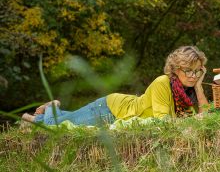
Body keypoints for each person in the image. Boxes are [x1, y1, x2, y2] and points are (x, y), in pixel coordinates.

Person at [21, 46, 209, 126]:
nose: (193, 76)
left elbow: (205, 115)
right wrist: (194, 121)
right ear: (175, 69)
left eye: (197, 71)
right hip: (111, 110)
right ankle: (32, 118)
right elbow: (163, 122)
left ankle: (54, 108)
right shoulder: (163, 83)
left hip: (119, 108)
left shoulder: (188, 90)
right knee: (59, 125)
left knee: (72, 118)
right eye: (188, 70)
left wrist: (200, 86)